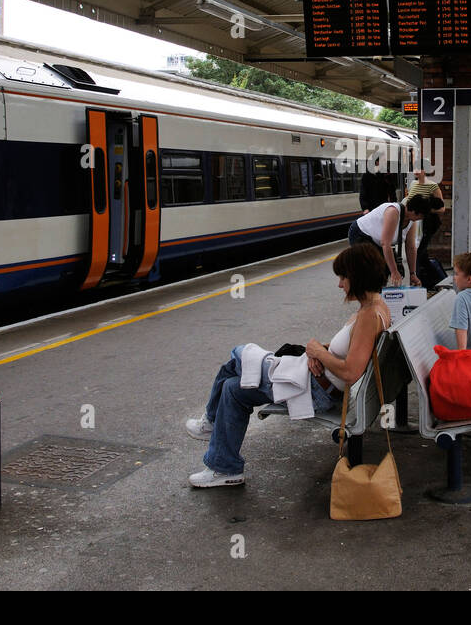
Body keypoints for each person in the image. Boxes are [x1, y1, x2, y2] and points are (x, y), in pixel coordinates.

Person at [185, 243, 391, 487]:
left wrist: (317, 352)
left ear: (357, 276)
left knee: (239, 355)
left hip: (314, 390)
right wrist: (318, 352)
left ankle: (209, 421)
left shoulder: (368, 316)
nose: (340, 284)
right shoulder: (373, 307)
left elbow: (351, 372)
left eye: (343, 277)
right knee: (232, 388)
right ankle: (226, 468)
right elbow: (350, 351)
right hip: (312, 380)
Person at [347, 194, 444, 287]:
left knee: (384, 271)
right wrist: (394, 272)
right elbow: (385, 244)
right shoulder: (392, 212)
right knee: (373, 269)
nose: (421, 219)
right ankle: (368, 297)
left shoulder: (411, 221)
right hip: (361, 233)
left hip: (377, 241)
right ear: (416, 212)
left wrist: (412, 273)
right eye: (422, 216)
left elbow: (411, 247)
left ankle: (379, 295)